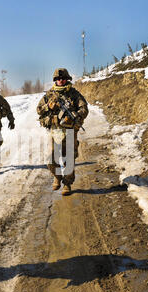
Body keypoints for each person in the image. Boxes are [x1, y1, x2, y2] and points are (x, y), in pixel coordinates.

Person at [36, 68, 89, 196]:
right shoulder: (49, 95)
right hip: (55, 131)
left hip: (70, 131)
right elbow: (38, 110)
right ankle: (58, 176)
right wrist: (48, 106)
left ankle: (67, 184)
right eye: (58, 79)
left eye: (63, 78)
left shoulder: (74, 94)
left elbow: (84, 109)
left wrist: (75, 115)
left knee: (69, 160)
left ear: (67, 79)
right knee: (50, 160)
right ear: (55, 80)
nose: (61, 81)